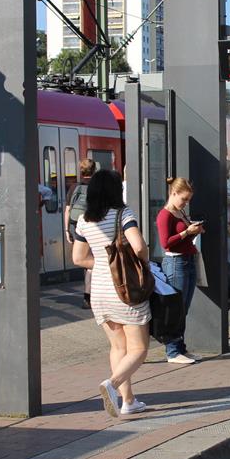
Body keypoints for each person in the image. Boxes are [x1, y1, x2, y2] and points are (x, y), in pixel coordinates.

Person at [71, 169, 152, 417]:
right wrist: (143, 263)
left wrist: (107, 267)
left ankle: (127, 401)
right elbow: (138, 246)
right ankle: (112, 384)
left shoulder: (84, 220)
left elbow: (78, 258)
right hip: (126, 292)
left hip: (100, 292)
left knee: (118, 348)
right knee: (139, 349)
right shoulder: (123, 214)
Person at [157, 177, 203, 365]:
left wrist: (194, 229)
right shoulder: (165, 215)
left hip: (187, 260)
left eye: (188, 199)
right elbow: (165, 243)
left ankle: (180, 347)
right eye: (183, 198)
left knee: (184, 308)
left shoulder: (180, 212)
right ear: (173, 193)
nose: (186, 203)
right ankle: (173, 350)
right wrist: (187, 232)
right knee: (176, 309)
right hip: (175, 263)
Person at [65, 158, 96, 308]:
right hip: (93, 226)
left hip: (77, 226)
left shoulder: (74, 187)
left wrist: (66, 230)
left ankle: (87, 297)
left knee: (84, 261)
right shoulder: (97, 188)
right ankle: (88, 295)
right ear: (94, 170)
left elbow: (68, 210)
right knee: (91, 262)